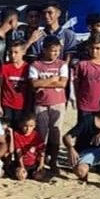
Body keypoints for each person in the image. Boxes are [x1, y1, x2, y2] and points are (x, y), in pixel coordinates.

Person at [29, 36, 69, 178]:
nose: (54, 54)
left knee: (55, 132)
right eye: (52, 51)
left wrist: (43, 82)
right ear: (44, 49)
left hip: (58, 102)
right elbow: (34, 84)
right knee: (41, 134)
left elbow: (63, 83)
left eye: (57, 51)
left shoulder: (62, 64)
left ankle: (53, 161)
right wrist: (52, 79)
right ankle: (40, 161)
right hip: (41, 103)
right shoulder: (36, 65)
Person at [73, 34, 100, 121]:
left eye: (98, 48)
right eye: (92, 48)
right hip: (85, 106)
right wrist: (77, 99)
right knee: (84, 128)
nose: (94, 51)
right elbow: (76, 84)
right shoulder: (82, 65)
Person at [0, 41, 30, 127]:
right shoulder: (4, 67)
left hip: (22, 105)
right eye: (10, 52)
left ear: (23, 52)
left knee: (19, 128)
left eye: (16, 52)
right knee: (6, 127)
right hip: (7, 104)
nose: (13, 55)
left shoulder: (27, 68)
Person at [9, 113, 46, 181]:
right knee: (21, 176)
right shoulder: (17, 134)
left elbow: (41, 151)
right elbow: (18, 152)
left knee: (39, 176)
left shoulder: (36, 135)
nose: (28, 128)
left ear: (35, 125)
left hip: (34, 164)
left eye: (31, 126)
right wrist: (22, 166)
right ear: (20, 125)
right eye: (25, 126)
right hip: (21, 163)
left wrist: (41, 165)